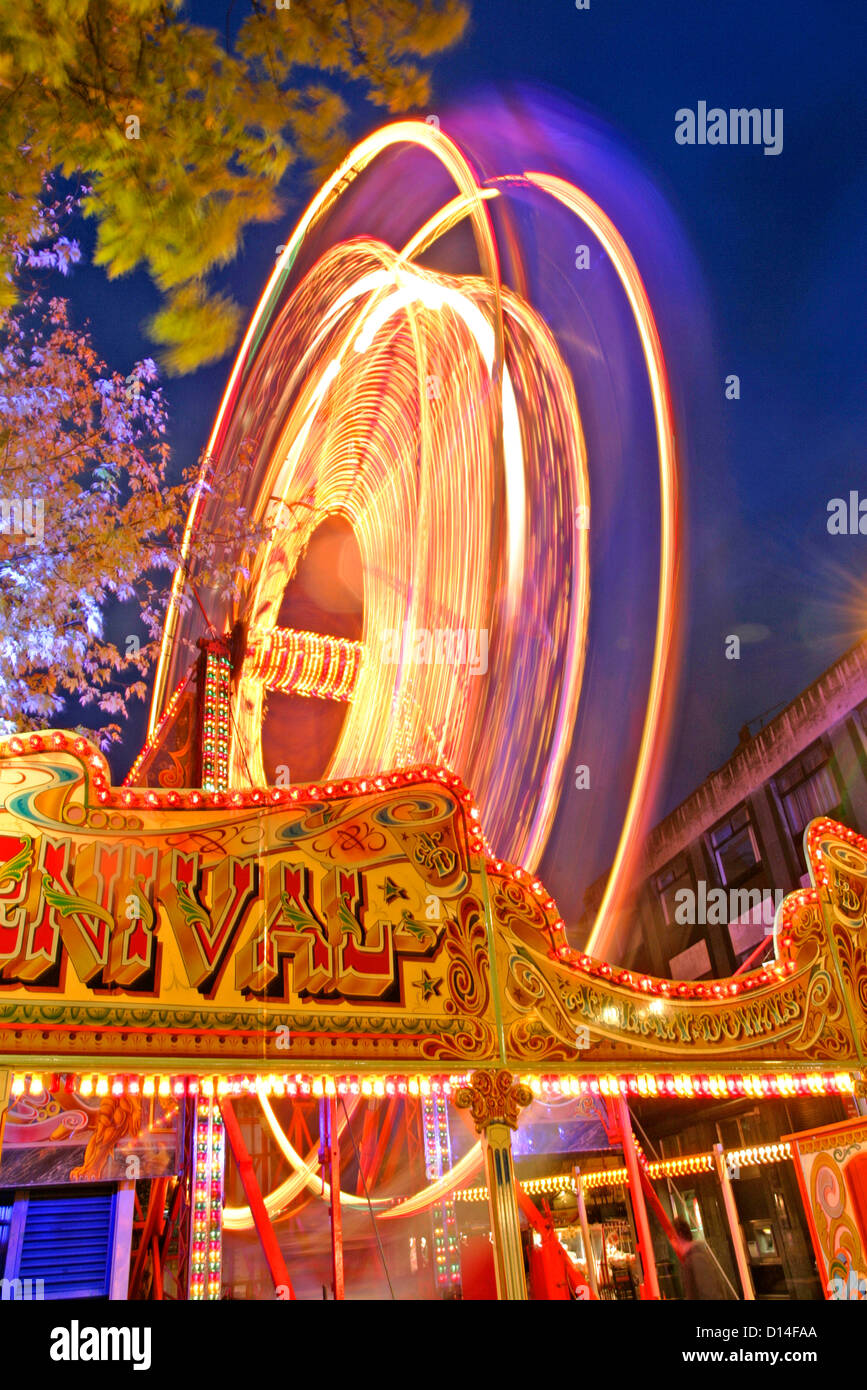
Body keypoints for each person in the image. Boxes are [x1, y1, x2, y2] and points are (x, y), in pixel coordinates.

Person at [672, 1217, 735, 1299]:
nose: (672, 1243)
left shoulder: (696, 1258)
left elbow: (711, 1293)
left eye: (672, 1237)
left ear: (679, 1235)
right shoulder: (692, 1257)